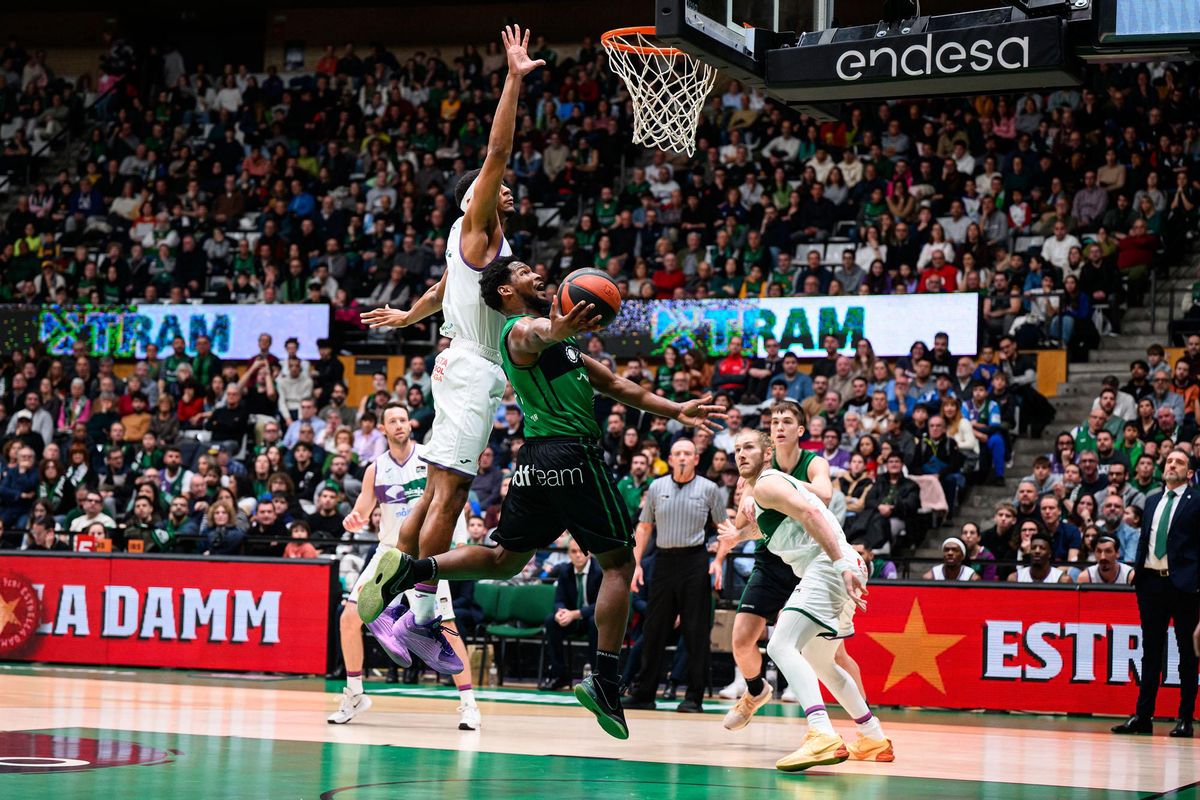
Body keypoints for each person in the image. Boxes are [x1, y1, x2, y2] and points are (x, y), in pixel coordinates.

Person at [353, 256, 722, 740]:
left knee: (505, 560)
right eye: (523, 271)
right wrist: (555, 329)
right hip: (573, 454)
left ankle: (413, 569)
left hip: (535, 462)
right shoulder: (518, 329)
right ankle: (606, 679)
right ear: (506, 292)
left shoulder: (558, 335)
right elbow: (532, 337)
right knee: (617, 564)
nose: (535, 273)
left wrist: (678, 409)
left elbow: (612, 383)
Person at [357, 26, 544, 670]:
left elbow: (445, 288)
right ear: (475, 196)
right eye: (495, 185)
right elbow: (497, 148)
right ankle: (421, 617)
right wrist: (514, 80)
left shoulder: (478, 249)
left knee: (438, 493)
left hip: (459, 363)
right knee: (452, 499)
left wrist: (410, 311)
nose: (506, 187)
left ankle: (388, 584)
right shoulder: (479, 223)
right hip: (470, 371)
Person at [724, 429, 891, 771]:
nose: (741, 454)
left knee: (780, 645)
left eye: (749, 447)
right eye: (737, 449)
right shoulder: (764, 494)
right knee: (820, 660)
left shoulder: (769, 481)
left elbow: (812, 515)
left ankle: (821, 733)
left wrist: (841, 564)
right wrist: (739, 534)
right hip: (835, 565)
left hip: (829, 565)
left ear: (767, 453)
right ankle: (873, 737)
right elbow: (775, 528)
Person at [712, 400, 864, 729]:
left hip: (815, 557)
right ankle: (755, 692)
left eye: (786, 421)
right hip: (773, 560)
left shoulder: (811, 463)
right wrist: (748, 498)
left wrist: (767, 483)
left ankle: (864, 721)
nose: (779, 426)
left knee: (833, 655)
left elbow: (823, 495)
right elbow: (742, 526)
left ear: (800, 430)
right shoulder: (754, 471)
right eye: (774, 421)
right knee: (740, 639)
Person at [329, 402, 478, 730]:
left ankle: (469, 705)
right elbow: (362, 509)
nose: (399, 424)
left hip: (426, 557)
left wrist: (461, 543)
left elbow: (453, 501)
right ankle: (354, 694)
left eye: (402, 419)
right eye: (392, 421)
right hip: (388, 553)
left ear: (409, 425)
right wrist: (354, 520)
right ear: (382, 429)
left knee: (446, 628)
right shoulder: (375, 468)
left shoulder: (429, 457)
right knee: (349, 619)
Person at [626, 436, 726, 714]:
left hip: (695, 562)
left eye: (688, 453)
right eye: (677, 453)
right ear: (669, 460)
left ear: (696, 459)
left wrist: (718, 560)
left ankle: (694, 697)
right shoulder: (657, 487)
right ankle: (644, 693)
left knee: (695, 632)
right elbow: (644, 528)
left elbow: (724, 528)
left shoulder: (710, 488)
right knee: (654, 629)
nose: (682, 457)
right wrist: (636, 565)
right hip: (662, 562)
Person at [1112, 448, 1200, 738]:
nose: (1172, 464)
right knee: (1150, 651)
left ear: (1189, 473)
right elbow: (1146, 539)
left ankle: (1185, 718)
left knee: (1187, 653)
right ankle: (1143, 715)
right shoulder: (1151, 500)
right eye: (1170, 460)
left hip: (1185, 585)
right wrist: (1138, 567)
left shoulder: (1197, 500)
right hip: (1151, 583)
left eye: (1179, 462)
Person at [539, 537, 602, 691]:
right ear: (569, 553)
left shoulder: (599, 571)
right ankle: (559, 675)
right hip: (573, 619)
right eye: (574, 551)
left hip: (592, 618)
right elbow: (559, 600)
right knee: (551, 621)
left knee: (594, 623)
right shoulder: (565, 571)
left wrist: (577, 613)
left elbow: (602, 605)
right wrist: (560, 612)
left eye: (582, 551)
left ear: (589, 553)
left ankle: (596, 678)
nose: (578, 555)